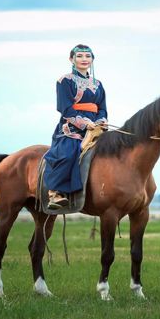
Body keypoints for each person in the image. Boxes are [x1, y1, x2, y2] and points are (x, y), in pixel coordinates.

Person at [43, 44, 108, 210]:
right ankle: (55, 193)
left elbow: (102, 108)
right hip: (71, 127)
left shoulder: (98, 84)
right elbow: (65, 108)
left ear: (92, 60)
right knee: (67, 153)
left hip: (96, 126)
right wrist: (84, 123)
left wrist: (101, 121)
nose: (84, 59)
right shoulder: (65, 81)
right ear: (71, 59)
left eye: (87, 56)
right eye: (79, 56)